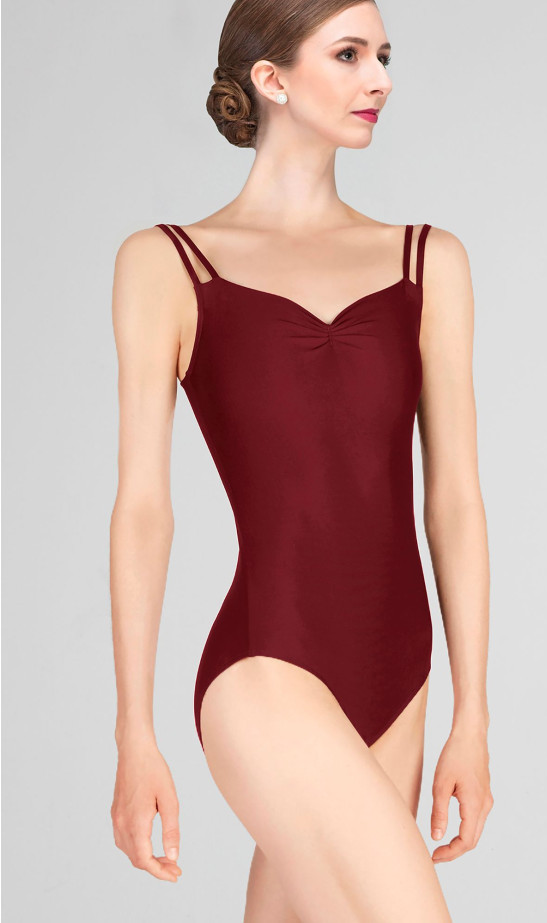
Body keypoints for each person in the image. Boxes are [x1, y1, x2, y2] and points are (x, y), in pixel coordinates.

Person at [109, 0, 493, 919]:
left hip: (399, 671)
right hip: (262, 664)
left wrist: (472, 714)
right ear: (270, 78)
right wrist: (134, 731)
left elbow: (453, 501)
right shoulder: (168, 264)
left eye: (384, 56)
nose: (379, 80)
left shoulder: (427, 262)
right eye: (349, 54)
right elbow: (144, 509)